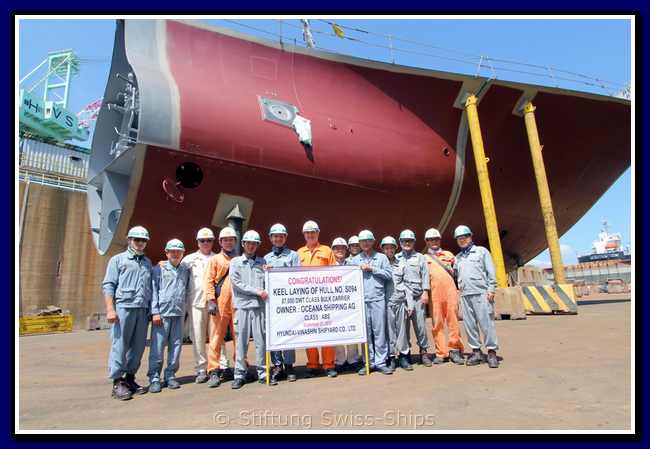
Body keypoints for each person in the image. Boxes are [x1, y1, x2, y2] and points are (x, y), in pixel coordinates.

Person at [102, 226, 153, 400]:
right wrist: (110, 309)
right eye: (136, 240)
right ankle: (117, 381)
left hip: (142, 309)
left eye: (143, 240)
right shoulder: (117, 260)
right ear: (128, 240)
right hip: (123, 308)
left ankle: (130, 378)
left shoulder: (147, 263)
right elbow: (109, 285)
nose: (139, 243)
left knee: (138, 347)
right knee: (120, 345)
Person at [180, 228, 232, 384]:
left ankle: (222, 365)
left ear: (213, 241)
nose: (205, 243)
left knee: (218, 336)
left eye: (208, 240)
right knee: (198, 337)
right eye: (202, 240)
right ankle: (202, 368)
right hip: (197, 303)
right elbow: (177, 273)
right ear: (197, 242)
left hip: (216, 303)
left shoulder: (219, 258)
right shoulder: (189, 260)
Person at [453, 225, 499, 368]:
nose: (462, 240)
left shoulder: (481, 252)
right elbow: (456, 275)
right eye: (459, 239)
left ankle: (491, 352)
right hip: (466, 295)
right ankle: (476, 352)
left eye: (464, 237)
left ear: (470, 237)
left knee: (487, 324)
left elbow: (491, 272)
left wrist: (491, 289)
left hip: (481, 293)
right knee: (470, 325)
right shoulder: (458, 258)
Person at [147, 239, 190, 393]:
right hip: (162, 314)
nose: (175, 254)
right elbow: (153, 291)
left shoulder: (185, 270)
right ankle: (154, 378)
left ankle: (170, 375)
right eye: (172, 251)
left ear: (182, 254)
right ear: (166, 253)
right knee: (157, 347)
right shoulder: (159, 270)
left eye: (178, 252)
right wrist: (155, 312)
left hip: (178, 313)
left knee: (176, 346)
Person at [296, 220, 337, 378]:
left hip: (324, 298)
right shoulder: (298, 253)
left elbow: (334, 274)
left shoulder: (326, 251)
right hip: (306, 300)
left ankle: (329, 365)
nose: (310, 234)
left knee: (327, 330)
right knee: (309, 331)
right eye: (307, 232)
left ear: (318, 233)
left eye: (313, 232)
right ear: (304, 235)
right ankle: (312, 364)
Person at [349, 230, 393, 375]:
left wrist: (372, 269)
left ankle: (380, 362)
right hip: (362, 302)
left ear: (373, 241)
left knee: (379, 332)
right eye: (362, 241)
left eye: (368, 241)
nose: (365, 243)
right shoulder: (355, 261)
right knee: (366, 334)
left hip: (377, 300)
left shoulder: (381, 258)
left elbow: (388, 274)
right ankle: (369, 362)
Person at [263, 224, 302, 384]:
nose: (278, 239)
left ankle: (289, 365)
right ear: (270, 238)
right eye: (275, 236)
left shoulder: (293, 256)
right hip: (272, 302)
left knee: (288, 333)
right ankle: (277, 364)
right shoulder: (266, 258)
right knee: (274, 333)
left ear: (285, 238)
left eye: (281, 236)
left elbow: (298, 277)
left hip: (288, 301)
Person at [230, 230, 269, 389]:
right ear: (243, 244)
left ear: (258, 245)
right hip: (242, 306)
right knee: (241, 342)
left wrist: (271, 273)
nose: (251, 246)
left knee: (261, 342)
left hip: (259, 307)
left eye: (254, 244)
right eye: (248, 243)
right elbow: (236, 283)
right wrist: (256, 291)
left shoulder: (263, 262)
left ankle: (263, 372)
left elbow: (269, 283)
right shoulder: (235, 262)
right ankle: (239, 374)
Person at [203, 227, 239, 388]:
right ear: (220, 242)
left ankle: (241, 367)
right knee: (216, 338)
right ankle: (214, 369)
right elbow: (209, 281)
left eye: (231, 240)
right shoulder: (215, 260)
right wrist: (210, 300)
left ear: (236, 242)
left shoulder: (240, 260)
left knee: (239, 337)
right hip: (220, 304)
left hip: (238, 304)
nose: (229, 242)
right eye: (226, 240)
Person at [424, 228, 465, 365]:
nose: (434, 242)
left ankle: (455, 350)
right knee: (437, 322)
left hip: (450, 292)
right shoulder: (424, 258)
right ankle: (441, 352)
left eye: (436, 239)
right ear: (427, 242)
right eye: (431, 240)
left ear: (440, 240)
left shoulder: (449, 255)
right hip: (434, 293)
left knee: (453, 321)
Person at [396, 230, 433, 367]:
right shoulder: (396, 258)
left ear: (414, 242)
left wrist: (425, 292)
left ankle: (424, 351)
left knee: (420, 326)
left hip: (417, 297)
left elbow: (425, 276)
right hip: (403, 299)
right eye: (404, 241)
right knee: (403, 329)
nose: (407, 243)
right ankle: (405, 354)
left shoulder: (420, 257)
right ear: (400, 242)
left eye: (410, 241)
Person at [381, 236, 413, 372]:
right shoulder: (380, 264)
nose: (389, 250)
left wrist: (410, 304)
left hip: (400, 302)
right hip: (387, 304)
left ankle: (404, 356)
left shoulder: (402, 264)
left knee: (402, 331)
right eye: (386, 248)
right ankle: (391, 357)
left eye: (392, 248)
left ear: (395, 249)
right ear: (382, 250)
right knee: (389, 333)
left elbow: (408, 286)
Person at [331, 238, 362, 373]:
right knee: (336, 333)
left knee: (352, 331)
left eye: (342, 248)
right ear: (332, 250)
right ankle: (339, 360)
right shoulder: (328, 265)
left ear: (346, 250)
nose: (340, 251)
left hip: (350, 303)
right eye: (337, 248)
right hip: (333, 303)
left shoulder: (352, 263)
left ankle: (353, 359)